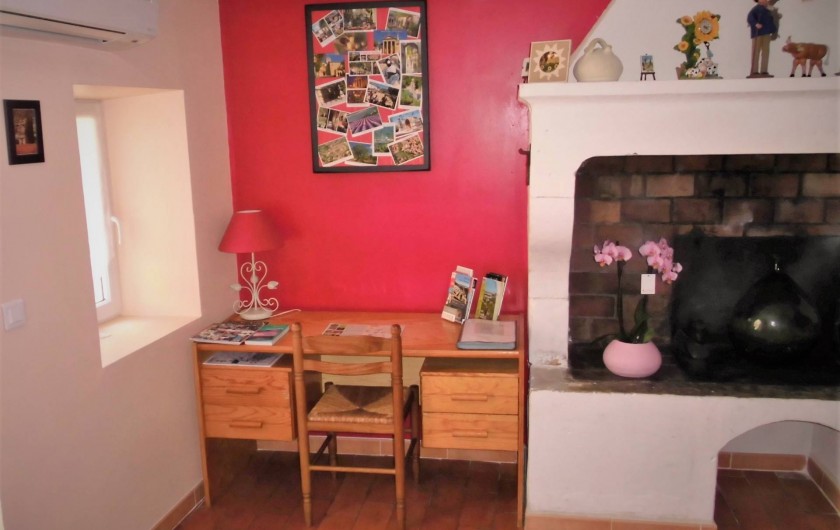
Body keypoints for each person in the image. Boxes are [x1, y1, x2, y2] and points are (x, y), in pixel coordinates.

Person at [747, 0, 777, 77]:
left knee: (765, 52)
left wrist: (773, 30)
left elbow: (770, 21)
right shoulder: (756, 9)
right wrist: (755, 24)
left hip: (766, 33)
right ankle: (754, 71)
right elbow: (750, 18)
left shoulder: (768, 10)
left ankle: (764, 70)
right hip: (757, 34)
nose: (766, 1)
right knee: (756, 52)